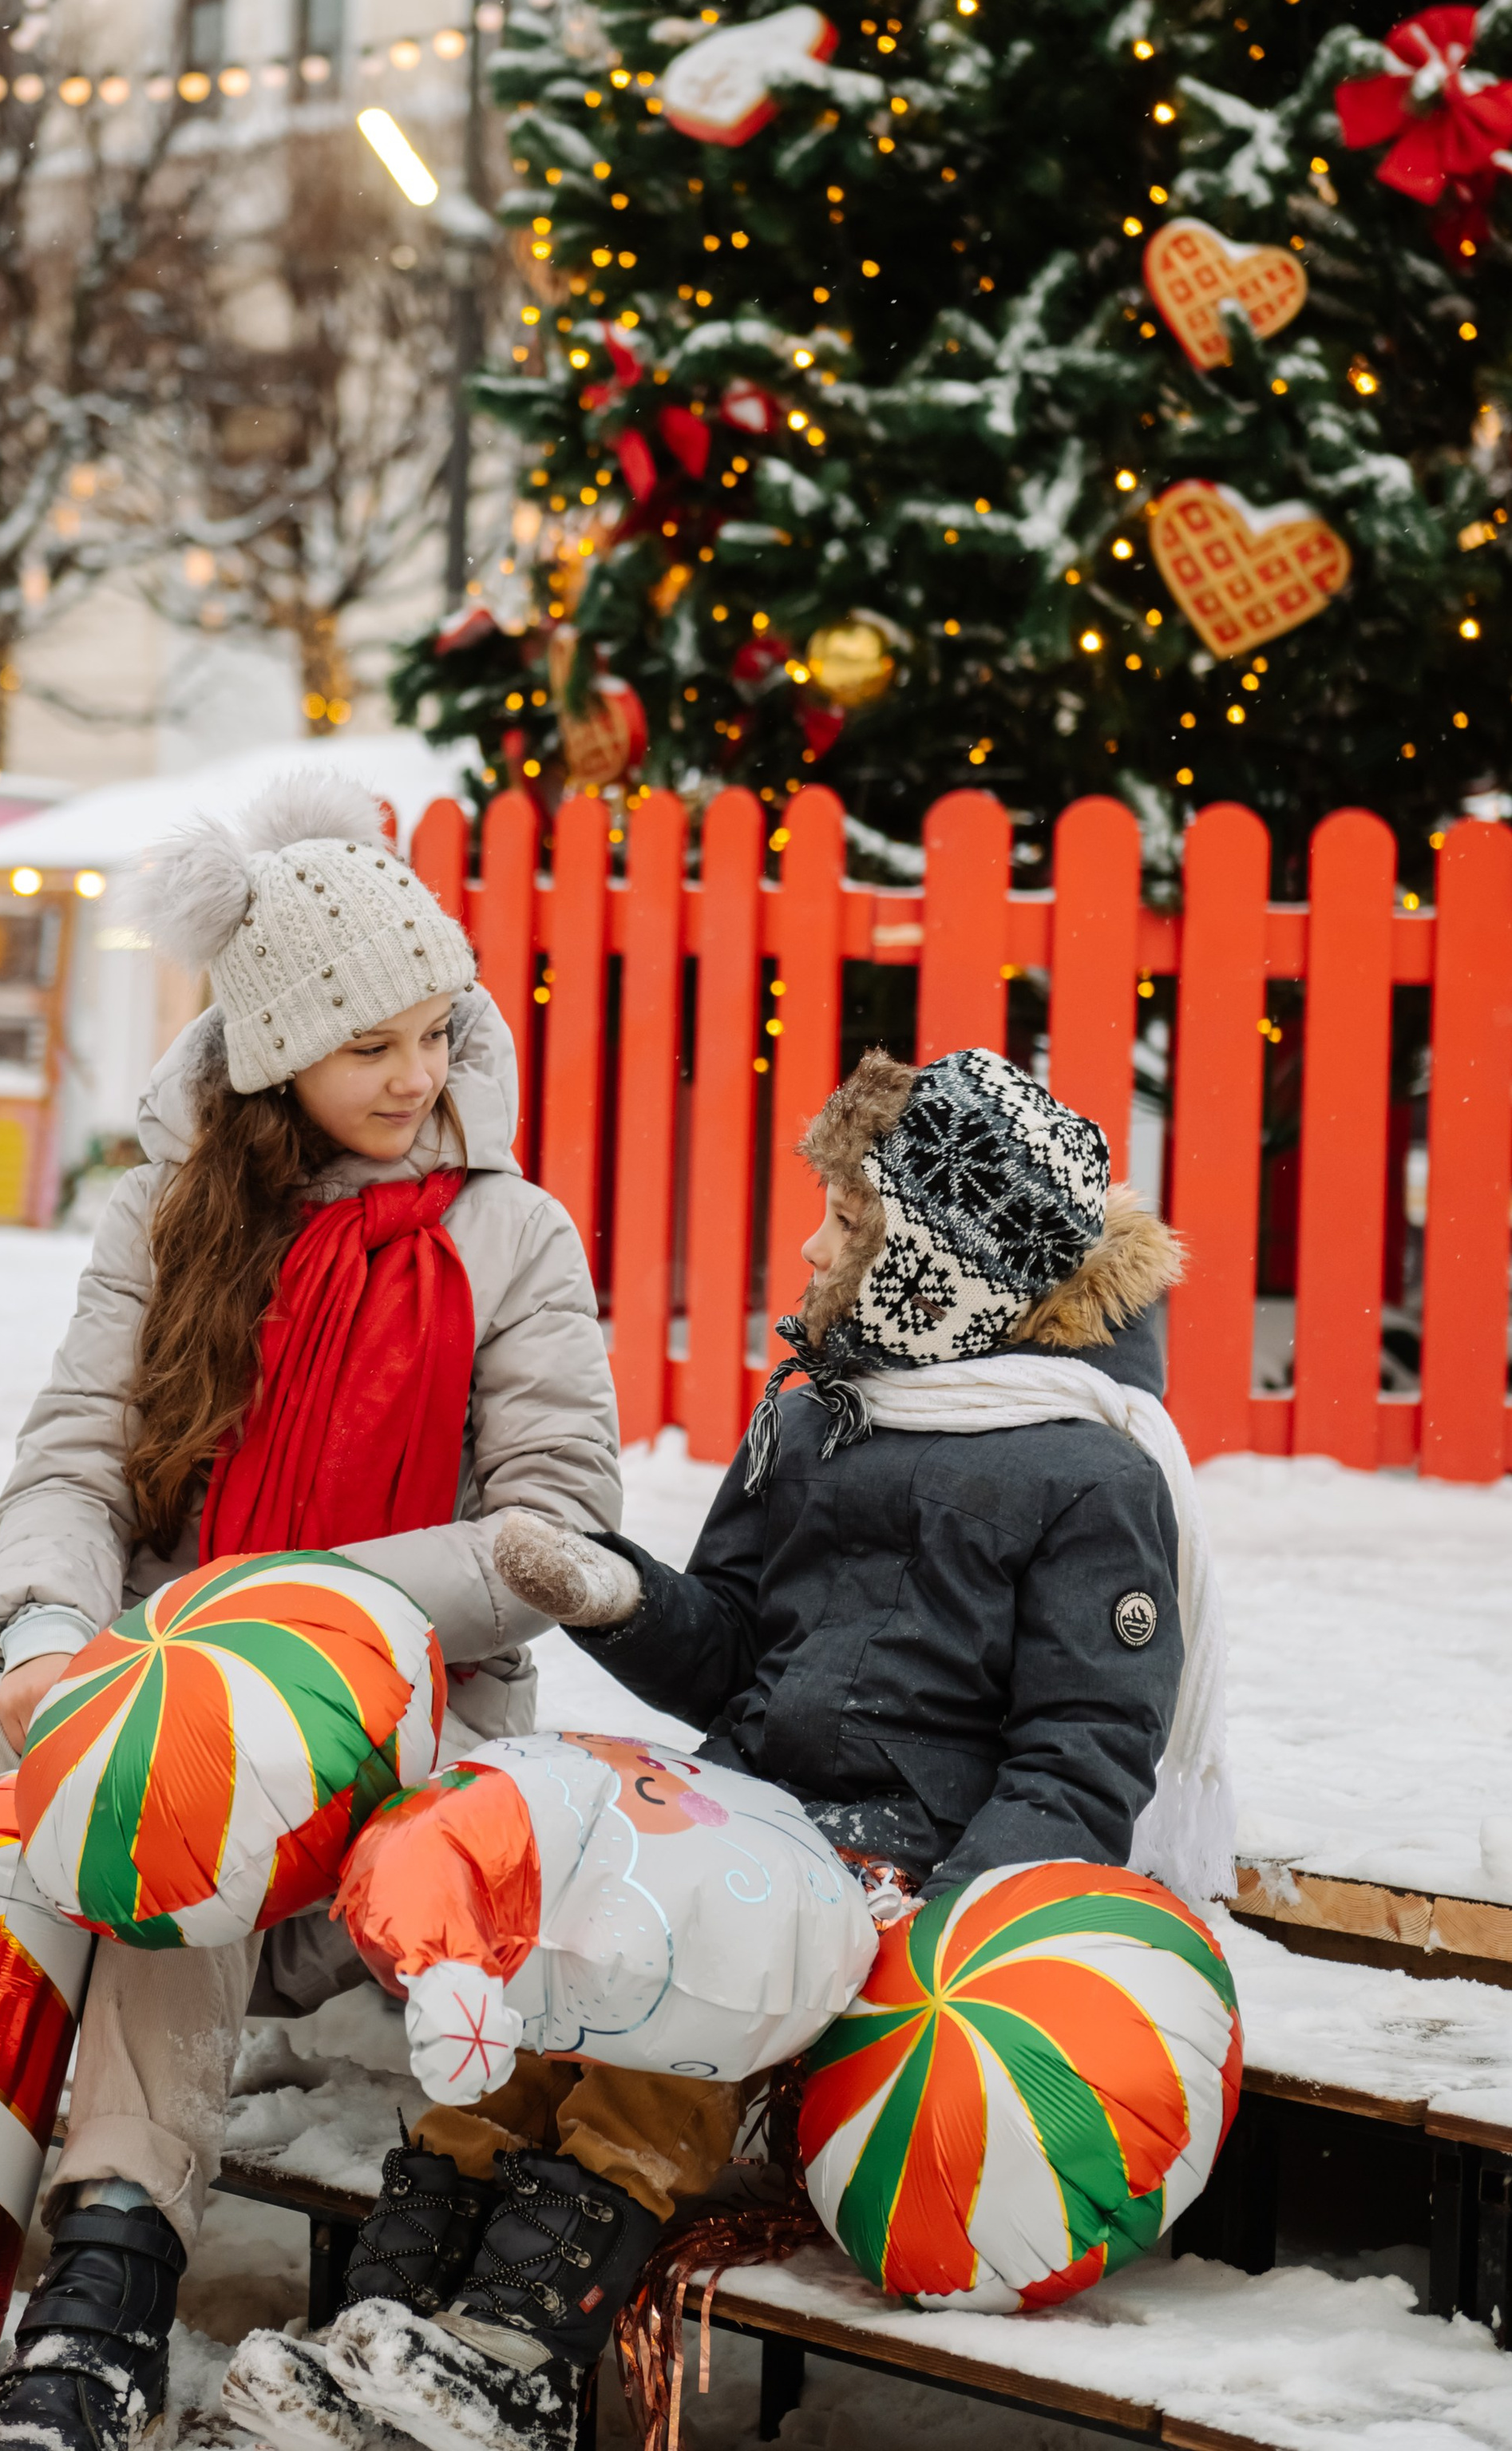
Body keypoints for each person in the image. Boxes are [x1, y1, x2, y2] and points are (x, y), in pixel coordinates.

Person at [0, 774, 623, 2451]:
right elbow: (70, 1461)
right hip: (150, 1673)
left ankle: (108, 2287)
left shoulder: (509, 1233)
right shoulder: (171, 1214)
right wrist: (52, 1633)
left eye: (436, 1031)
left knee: (191, 1751)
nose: (417, 1077)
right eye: (370, 1048)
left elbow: (551, 1532)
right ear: (271, 1056)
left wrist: (265, 1615)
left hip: (406, 1746)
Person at [230, 1044, 1229, 2451]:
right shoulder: (817, 1410)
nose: (814, 1244)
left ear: (930, 1261)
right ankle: (385, 2319)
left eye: (848, 1218)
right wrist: (620, 1595)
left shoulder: (1089, 1474)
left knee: (677, 1981)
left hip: (911, 1873)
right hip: (757, 1816)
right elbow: (735, 1646)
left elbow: (1081, 1758)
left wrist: (951, 1932)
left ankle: (517, 2345)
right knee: (552, 1945)